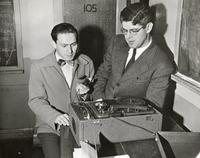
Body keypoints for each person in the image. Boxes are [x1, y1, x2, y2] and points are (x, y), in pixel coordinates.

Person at [92, 2, 176, 111]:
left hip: (129, 119)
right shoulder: (117, 42)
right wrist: (99, 99)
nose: (128, 37)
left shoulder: (162, 63)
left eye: (134, 31)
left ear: (148, 27)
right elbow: (102, 74)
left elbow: (151, 109)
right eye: (125, 31)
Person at [28, 23, 94, 158]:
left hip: (80, 124)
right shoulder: (39, 67)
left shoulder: (87, 63)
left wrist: (87, 94)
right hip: (50, 126)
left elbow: (93, 97)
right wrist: (55, 116)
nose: (70, 51)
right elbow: (35, 100)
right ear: (54, 44)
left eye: (74, 44)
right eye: (64, 46)